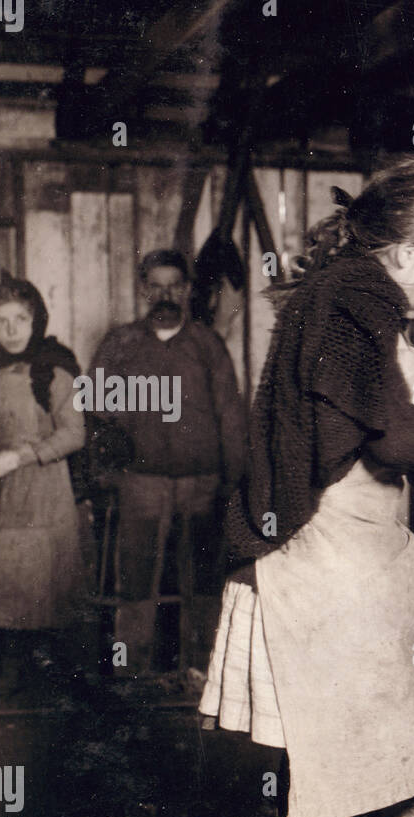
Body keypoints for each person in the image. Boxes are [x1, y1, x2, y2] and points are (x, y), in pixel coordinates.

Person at [198, 155, 414, 817]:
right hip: (321, 529)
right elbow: (392, 434)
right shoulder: (354, 300)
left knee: (399, 682)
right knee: (333, 702)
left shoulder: (349, 292)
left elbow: (367, 417)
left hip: (349, 523)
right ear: (408, 253)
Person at [88, 249, 248, 672]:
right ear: (143, 290)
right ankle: (131, 675)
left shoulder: (207, 345)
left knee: (203, 584)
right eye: (155, 286)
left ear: (188, 289)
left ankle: (201, 676)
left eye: (174, 285)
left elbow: (230, 416)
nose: (165, 294)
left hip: (203, 484)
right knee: (135, 585)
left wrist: (234, 484)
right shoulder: (119, 344)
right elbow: (96, 412)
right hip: (140, 484)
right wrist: (106, 473)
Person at [0, 276, 87, 689]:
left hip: (40, 500)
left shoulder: (57, 373)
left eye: (19, 319)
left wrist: (21, 456)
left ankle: (31, 707)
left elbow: (74, 433)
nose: (11, 330)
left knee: (33, 596)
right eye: (1, 321)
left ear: (36, 319)